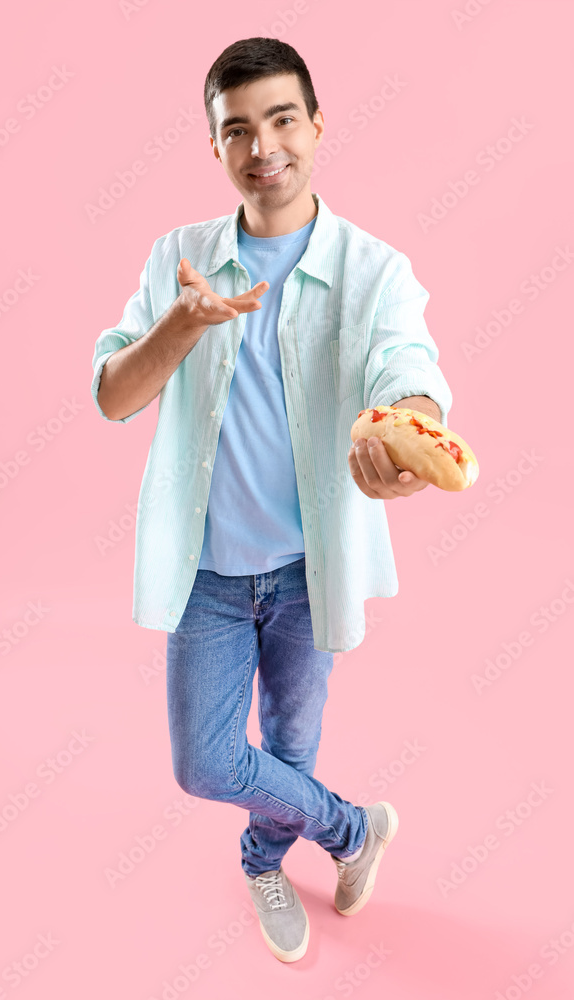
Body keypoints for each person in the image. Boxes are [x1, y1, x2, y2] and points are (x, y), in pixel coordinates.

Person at [90, 37, 453, 964]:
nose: (264, 148)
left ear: (317, 124)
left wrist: (407, 426)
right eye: (238, 130)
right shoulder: (180, 259)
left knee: (288, 748)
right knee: (205, 763)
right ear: (214, 146)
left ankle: (264, 857)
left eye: (282, 119)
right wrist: (182, 321)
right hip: (207, 573)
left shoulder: (376, 271)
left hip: (304, 572)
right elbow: (113, 396)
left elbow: (407, 368)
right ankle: (351, 830)